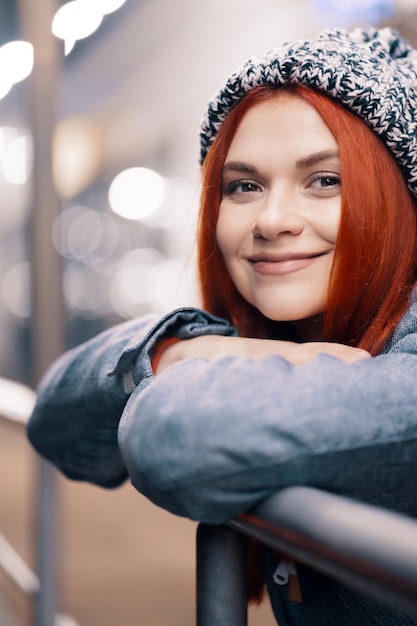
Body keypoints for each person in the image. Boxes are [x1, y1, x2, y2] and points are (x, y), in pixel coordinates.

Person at [28, 26, 417, 624]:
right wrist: (180, 354)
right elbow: (56, 418)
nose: (272, 218)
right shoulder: (290, 345)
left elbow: (176, 437)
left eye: (325, 180)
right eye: (244, 186)